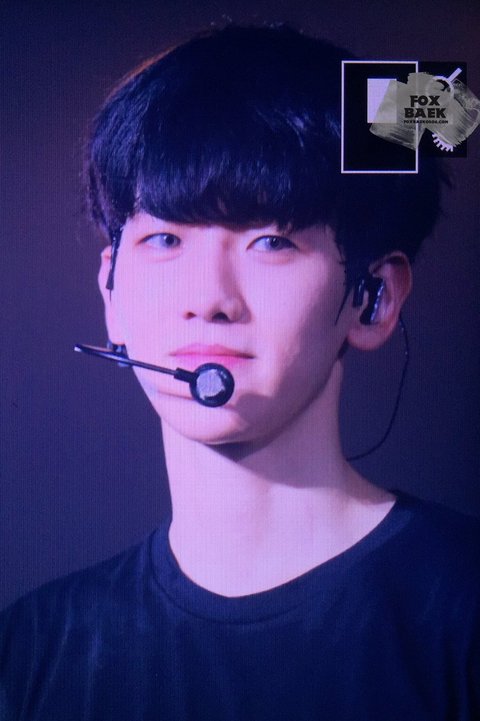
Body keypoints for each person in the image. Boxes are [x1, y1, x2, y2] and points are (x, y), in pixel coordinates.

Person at [1, 24, 479, 721]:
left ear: (373, 297)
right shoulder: (29, 652)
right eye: (164, 238)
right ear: (111, 292)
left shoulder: (460, 613)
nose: (209, 300)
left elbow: (457, 108)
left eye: (272, 242)